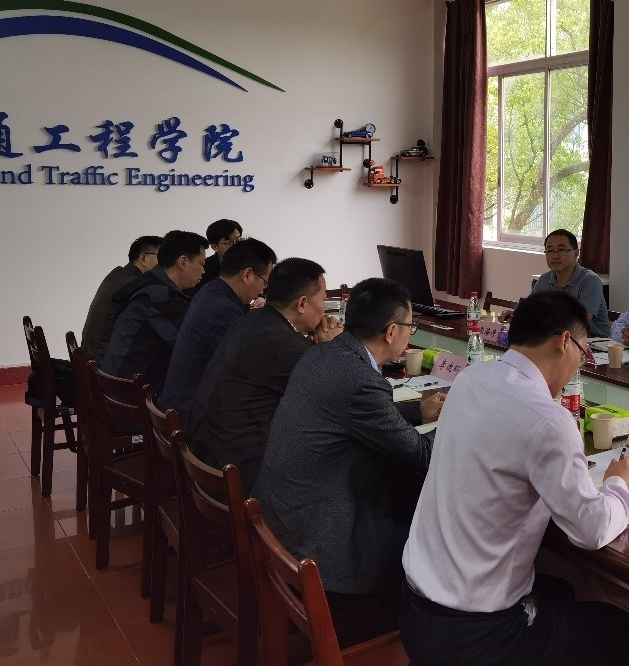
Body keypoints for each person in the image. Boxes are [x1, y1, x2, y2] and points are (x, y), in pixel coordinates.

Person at [401, 291, 629, 666]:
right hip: (476, 636)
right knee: (614, 626)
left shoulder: (471, 378)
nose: (578, 367)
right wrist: (619, 485)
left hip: (416, 610)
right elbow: (590, 530)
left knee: (560, 591)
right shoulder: (548, 420)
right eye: (582, 354)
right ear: (564, 342)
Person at [254, 278, 445, 648]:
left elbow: (360, 415)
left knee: (401, 495)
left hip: (284, 517)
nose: (410, 334)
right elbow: (423, 455)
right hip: (324, 542)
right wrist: (461, 422)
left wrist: (418, 411)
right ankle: (424, 636)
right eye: (410, 327)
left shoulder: (325, 355)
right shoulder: (359, 379)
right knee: (433, 539)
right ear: (392, 331)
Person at [190, 257, 341, 491]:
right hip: (240, 478)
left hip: (207, 458)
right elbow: (339, 394)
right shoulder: (288, 348)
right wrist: (332, 347)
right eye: (323, 299)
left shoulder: (251, 319)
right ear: (302, 303)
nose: (325, 308)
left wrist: (312, 348)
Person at [159, 238, 277, 429]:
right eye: (264, 282)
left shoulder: (213, 291)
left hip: (183, 404)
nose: (263, 289)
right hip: (192, 416)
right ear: (248, 275)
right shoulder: (222, 308)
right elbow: (250, 370)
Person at [101, 230, 208, 392]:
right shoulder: (161, 297)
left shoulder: (150, 284)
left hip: (115, 387)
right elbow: (192, 347)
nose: (204, 271)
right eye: (201, 264)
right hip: (128, 397)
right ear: (183, 262)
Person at [80, 235, 162, 363]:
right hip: (102, 366)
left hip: (91, 358)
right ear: (143, 258)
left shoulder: (118, 275)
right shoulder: (136, 285)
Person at [525, 229, 609, 337]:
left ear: (576, 253)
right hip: (555, 338)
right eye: (550, 250)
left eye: (561, 250)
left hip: (593, 341)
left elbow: (579, 324)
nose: (555, 256)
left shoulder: (590, 281)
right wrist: (515, 315)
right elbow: (529, 309)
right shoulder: (544, 279)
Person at [189, 218, 242, 297]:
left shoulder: (252, 262)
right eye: (229, 243)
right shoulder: (203, 269)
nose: (236, 246)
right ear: (214, 247)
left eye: (238, 240)